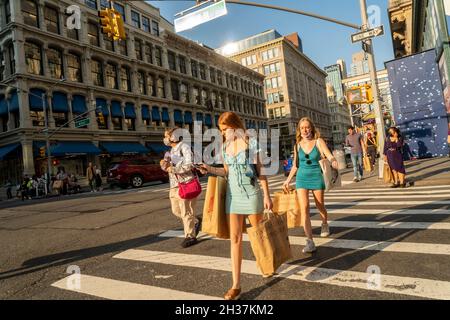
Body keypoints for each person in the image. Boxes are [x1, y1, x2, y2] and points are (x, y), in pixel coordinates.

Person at [200, 112, 273, 301]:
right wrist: (208, 169)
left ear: (235, 126)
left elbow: (261, 173)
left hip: (252, 194)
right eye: (221, 130)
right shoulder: (224, 147)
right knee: (235, 239)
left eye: (225, 129)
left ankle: (266, 262)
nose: (223, 133)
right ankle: (236, 285)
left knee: (258, 235)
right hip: (233, 197)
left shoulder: (251, 143)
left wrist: (267, 195)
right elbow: (225, 171)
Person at [282, 117, 338, 253]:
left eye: (307, 127)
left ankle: (324, 224)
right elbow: (295, 165)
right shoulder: (297, 145)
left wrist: (333, 161)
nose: (305, 130)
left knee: (320, 205)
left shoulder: (318, 142)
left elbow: (328, 155)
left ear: (311, 128)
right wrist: (288, 180)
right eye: (302, 128)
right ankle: (310, 241)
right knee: (304, 208)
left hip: (316, 176)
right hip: (301, 178)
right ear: (299, 130)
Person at [160, 127, 202, 249]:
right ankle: (195, 221)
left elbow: (189, 164)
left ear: (173, 137)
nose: (165, 139)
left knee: (186, 211)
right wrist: (163, 164)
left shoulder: (184, 147)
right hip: (173, 185)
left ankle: (190, 236)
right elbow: (165, 167)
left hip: (186, 183)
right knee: (176, 211)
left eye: (166, 136)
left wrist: (173, 169)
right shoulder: (169, 151)